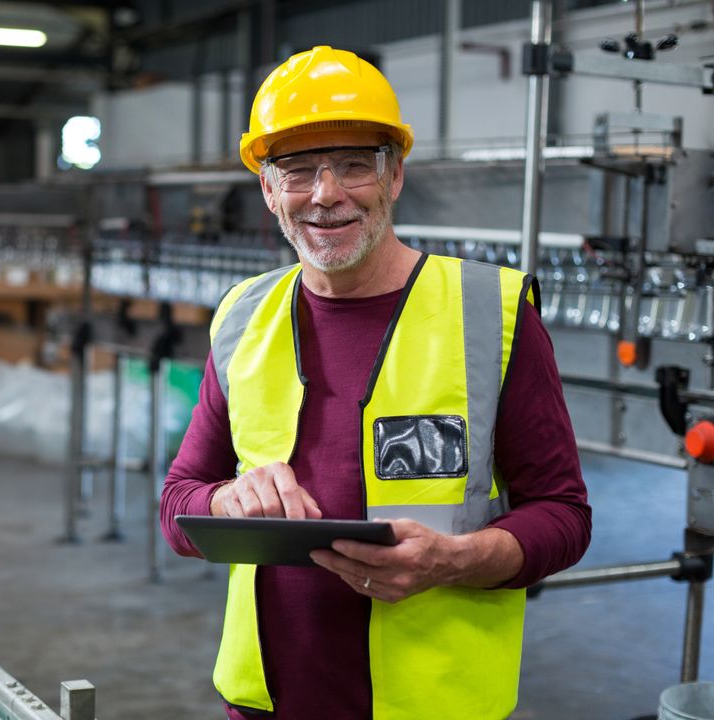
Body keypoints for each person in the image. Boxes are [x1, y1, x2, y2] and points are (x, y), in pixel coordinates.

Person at [159, 46, 591, 720]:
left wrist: (454, 559)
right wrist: (225, 502)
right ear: (269, 190)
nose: (326, 194)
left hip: (434, 706)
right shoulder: (244, 318)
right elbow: (177, 505)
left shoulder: (491, 314)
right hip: (265, 705)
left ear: (394, 178)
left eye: (354, 165)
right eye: (298, 171)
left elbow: (564, 515)